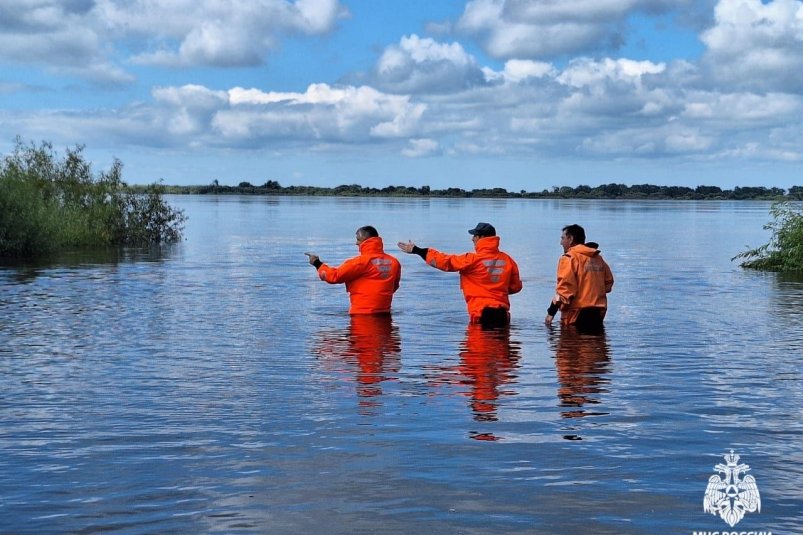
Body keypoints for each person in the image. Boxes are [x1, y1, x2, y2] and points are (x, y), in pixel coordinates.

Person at [397, 222, 522, 326]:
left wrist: (417, 250)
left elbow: (445, 262)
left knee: (478, 352)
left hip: (481, 314)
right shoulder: (508, 260)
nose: (472, 238)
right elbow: (516, 287)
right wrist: (496, 288)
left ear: (482, 237)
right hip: (502, 314)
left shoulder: (471, 260)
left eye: (475, 236)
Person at [305, 225, 401, 315]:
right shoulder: (394, 262)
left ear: (366, 240)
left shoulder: (360, 262)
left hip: (361, 316)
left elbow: (334, 277)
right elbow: (394, 287)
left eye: (358, 239)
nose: (356, 243)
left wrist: (317, 263)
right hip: (385, 315)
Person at [544, 224, 614, 331]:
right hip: (598, 312)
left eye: (563, 238)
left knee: (572, 345)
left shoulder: (569, 258)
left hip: (577, 313)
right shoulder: (598, 259)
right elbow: (608, 284)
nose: (560, 242)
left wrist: (551, 312)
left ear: (571, 239)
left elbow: (565, 290)